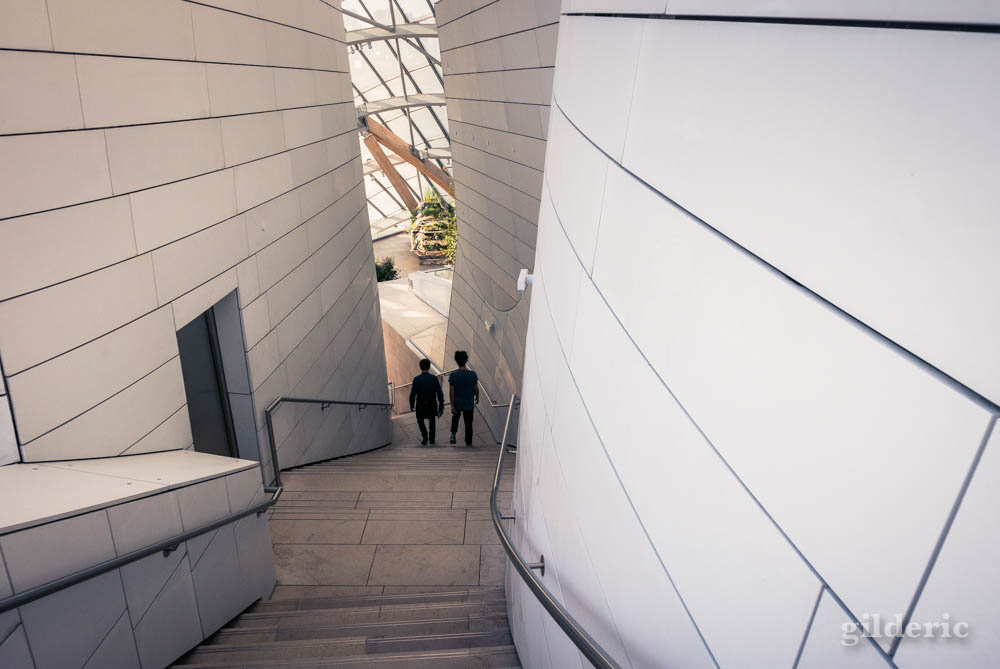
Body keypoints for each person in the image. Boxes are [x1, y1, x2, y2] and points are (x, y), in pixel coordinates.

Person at [409, 358, 444, 445]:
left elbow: (412, 394)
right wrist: (441, 406)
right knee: (432, 421)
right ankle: (432, 439)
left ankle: (425, 437)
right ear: (429, 367)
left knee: (420, 420)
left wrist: (412, 405)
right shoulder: (434, 378)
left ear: (420, 367)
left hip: (420, 405)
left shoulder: (416, 379)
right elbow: (440, 393)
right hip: (432, 404)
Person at [448, 350, 479, 446]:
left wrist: (452, 404)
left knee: (455, 417)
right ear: (466, 360)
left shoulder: (453, 375)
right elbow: (476, 388)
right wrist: (477, 397)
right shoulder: (472, 374)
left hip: (457, 402)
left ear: (456, 361)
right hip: (469, 402)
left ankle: (453, 434)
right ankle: (468, 442)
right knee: (468, 423)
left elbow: (451, 391)